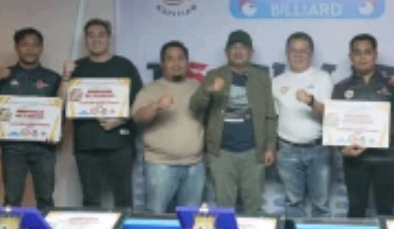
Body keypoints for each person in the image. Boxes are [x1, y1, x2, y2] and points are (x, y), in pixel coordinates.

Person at [189, 30, 276, 215]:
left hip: (253, 153)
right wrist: (208, 90)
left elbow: (270, 115)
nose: (238, 51)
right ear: (226, 52)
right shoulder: (213, 75)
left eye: (242, 47)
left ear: (251, 52)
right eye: (233, 47)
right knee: (224, 208)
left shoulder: (261, 78)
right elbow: (195, 107)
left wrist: (270, 146)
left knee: (254, 208)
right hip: (221, 154)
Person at [59, 18, 143, 211]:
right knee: (90, 200)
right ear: (85, 40)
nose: (96, 40)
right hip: (86, 144)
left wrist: (121, 119)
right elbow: (61, 103)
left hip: (120, 143)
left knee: (123, 199)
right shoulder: (76, 67)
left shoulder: (124, 65)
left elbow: (140, 102)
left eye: (101, 35)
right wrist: (66, 76)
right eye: (91, 36)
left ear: (109, 38)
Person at [331, 34, 394, 218]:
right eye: (357, 53)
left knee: (386, 212)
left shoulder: (391, 84)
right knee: (355, 211)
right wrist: (342, 149)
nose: (362, 57)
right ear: (351, 57)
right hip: (355, 159)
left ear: (375, 55)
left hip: (386, 158)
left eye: (367, 52)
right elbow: (334, 124)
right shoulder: (341, 88)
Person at [0, 28, 61, 212]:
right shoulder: (2, 75)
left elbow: (62, 111)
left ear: (41, 48)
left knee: (46, 198)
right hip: (12, 148)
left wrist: (57, 135)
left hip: (44, 147)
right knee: (12, 198)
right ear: (16, 47)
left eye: (35, 45)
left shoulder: (53, 78)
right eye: (25, 44)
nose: (30, 49)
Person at [132, 41, 205, 214]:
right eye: (170, 59)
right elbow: (137, 117)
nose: (176, 63)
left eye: (180, 58)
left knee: (191, 219)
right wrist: (156, 106)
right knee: (155, 215)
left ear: (187, 62)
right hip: (160, 165)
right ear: (162, 63)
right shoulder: (151, 89)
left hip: (195, 165)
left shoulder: (198, 87)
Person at [272, 32, 334, 218]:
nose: (298, 55)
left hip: (318, 149)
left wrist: (311, 102)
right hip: (287, 150)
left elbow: (331, 114)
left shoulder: (322, 77)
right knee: (293, 203)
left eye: (303, 51)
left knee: (321, 205)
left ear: (311, 54)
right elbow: (273, 117)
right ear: (287, 53)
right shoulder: (277, 82)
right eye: (294, 50)